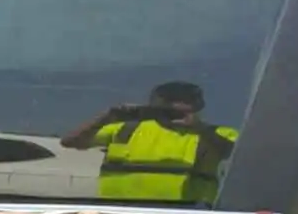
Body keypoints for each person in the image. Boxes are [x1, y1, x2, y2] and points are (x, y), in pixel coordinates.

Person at [62, 81, 241, 204]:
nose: (172, 115)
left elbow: (242, 159)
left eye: (181, 110)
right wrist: (106, 117)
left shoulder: (217, 134)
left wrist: (198, 128)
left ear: (197, 108)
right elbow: (71, 141)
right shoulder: (125, 128)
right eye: (166, 109)